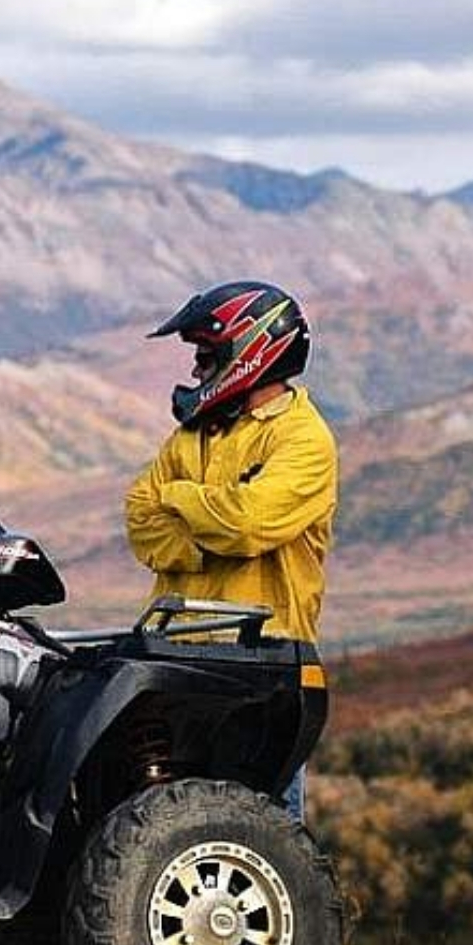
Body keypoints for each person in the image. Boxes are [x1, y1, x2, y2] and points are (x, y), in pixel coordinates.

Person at [125, 280, 338, 819]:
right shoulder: (191, 437)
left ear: (249, 352)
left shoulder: (304, 439)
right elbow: (139, 522)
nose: (196, 371)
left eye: (206, 356)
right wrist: (206, 539)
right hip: (176, 662)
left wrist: (177, 498)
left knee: (259, 837)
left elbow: (249, 524)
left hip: (261, 670)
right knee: (159, 832)